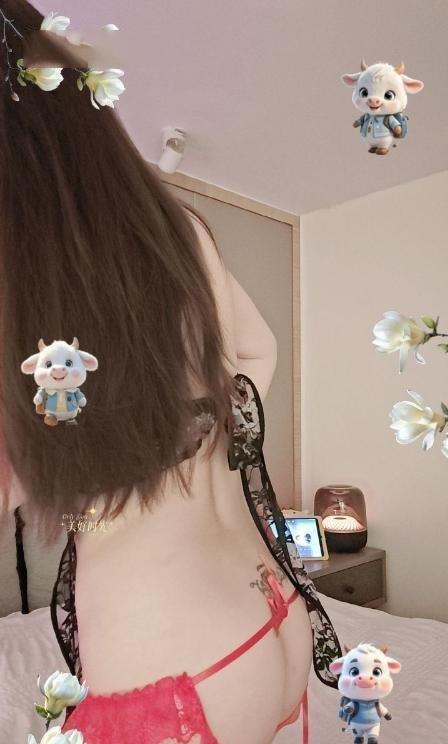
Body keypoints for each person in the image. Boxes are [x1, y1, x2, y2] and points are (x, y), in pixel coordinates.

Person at [0, 2, 341, 742]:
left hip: (175, 664)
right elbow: (258, 351)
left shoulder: (19, 283)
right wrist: (197, 439)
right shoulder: (177, 230)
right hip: (270, 614)